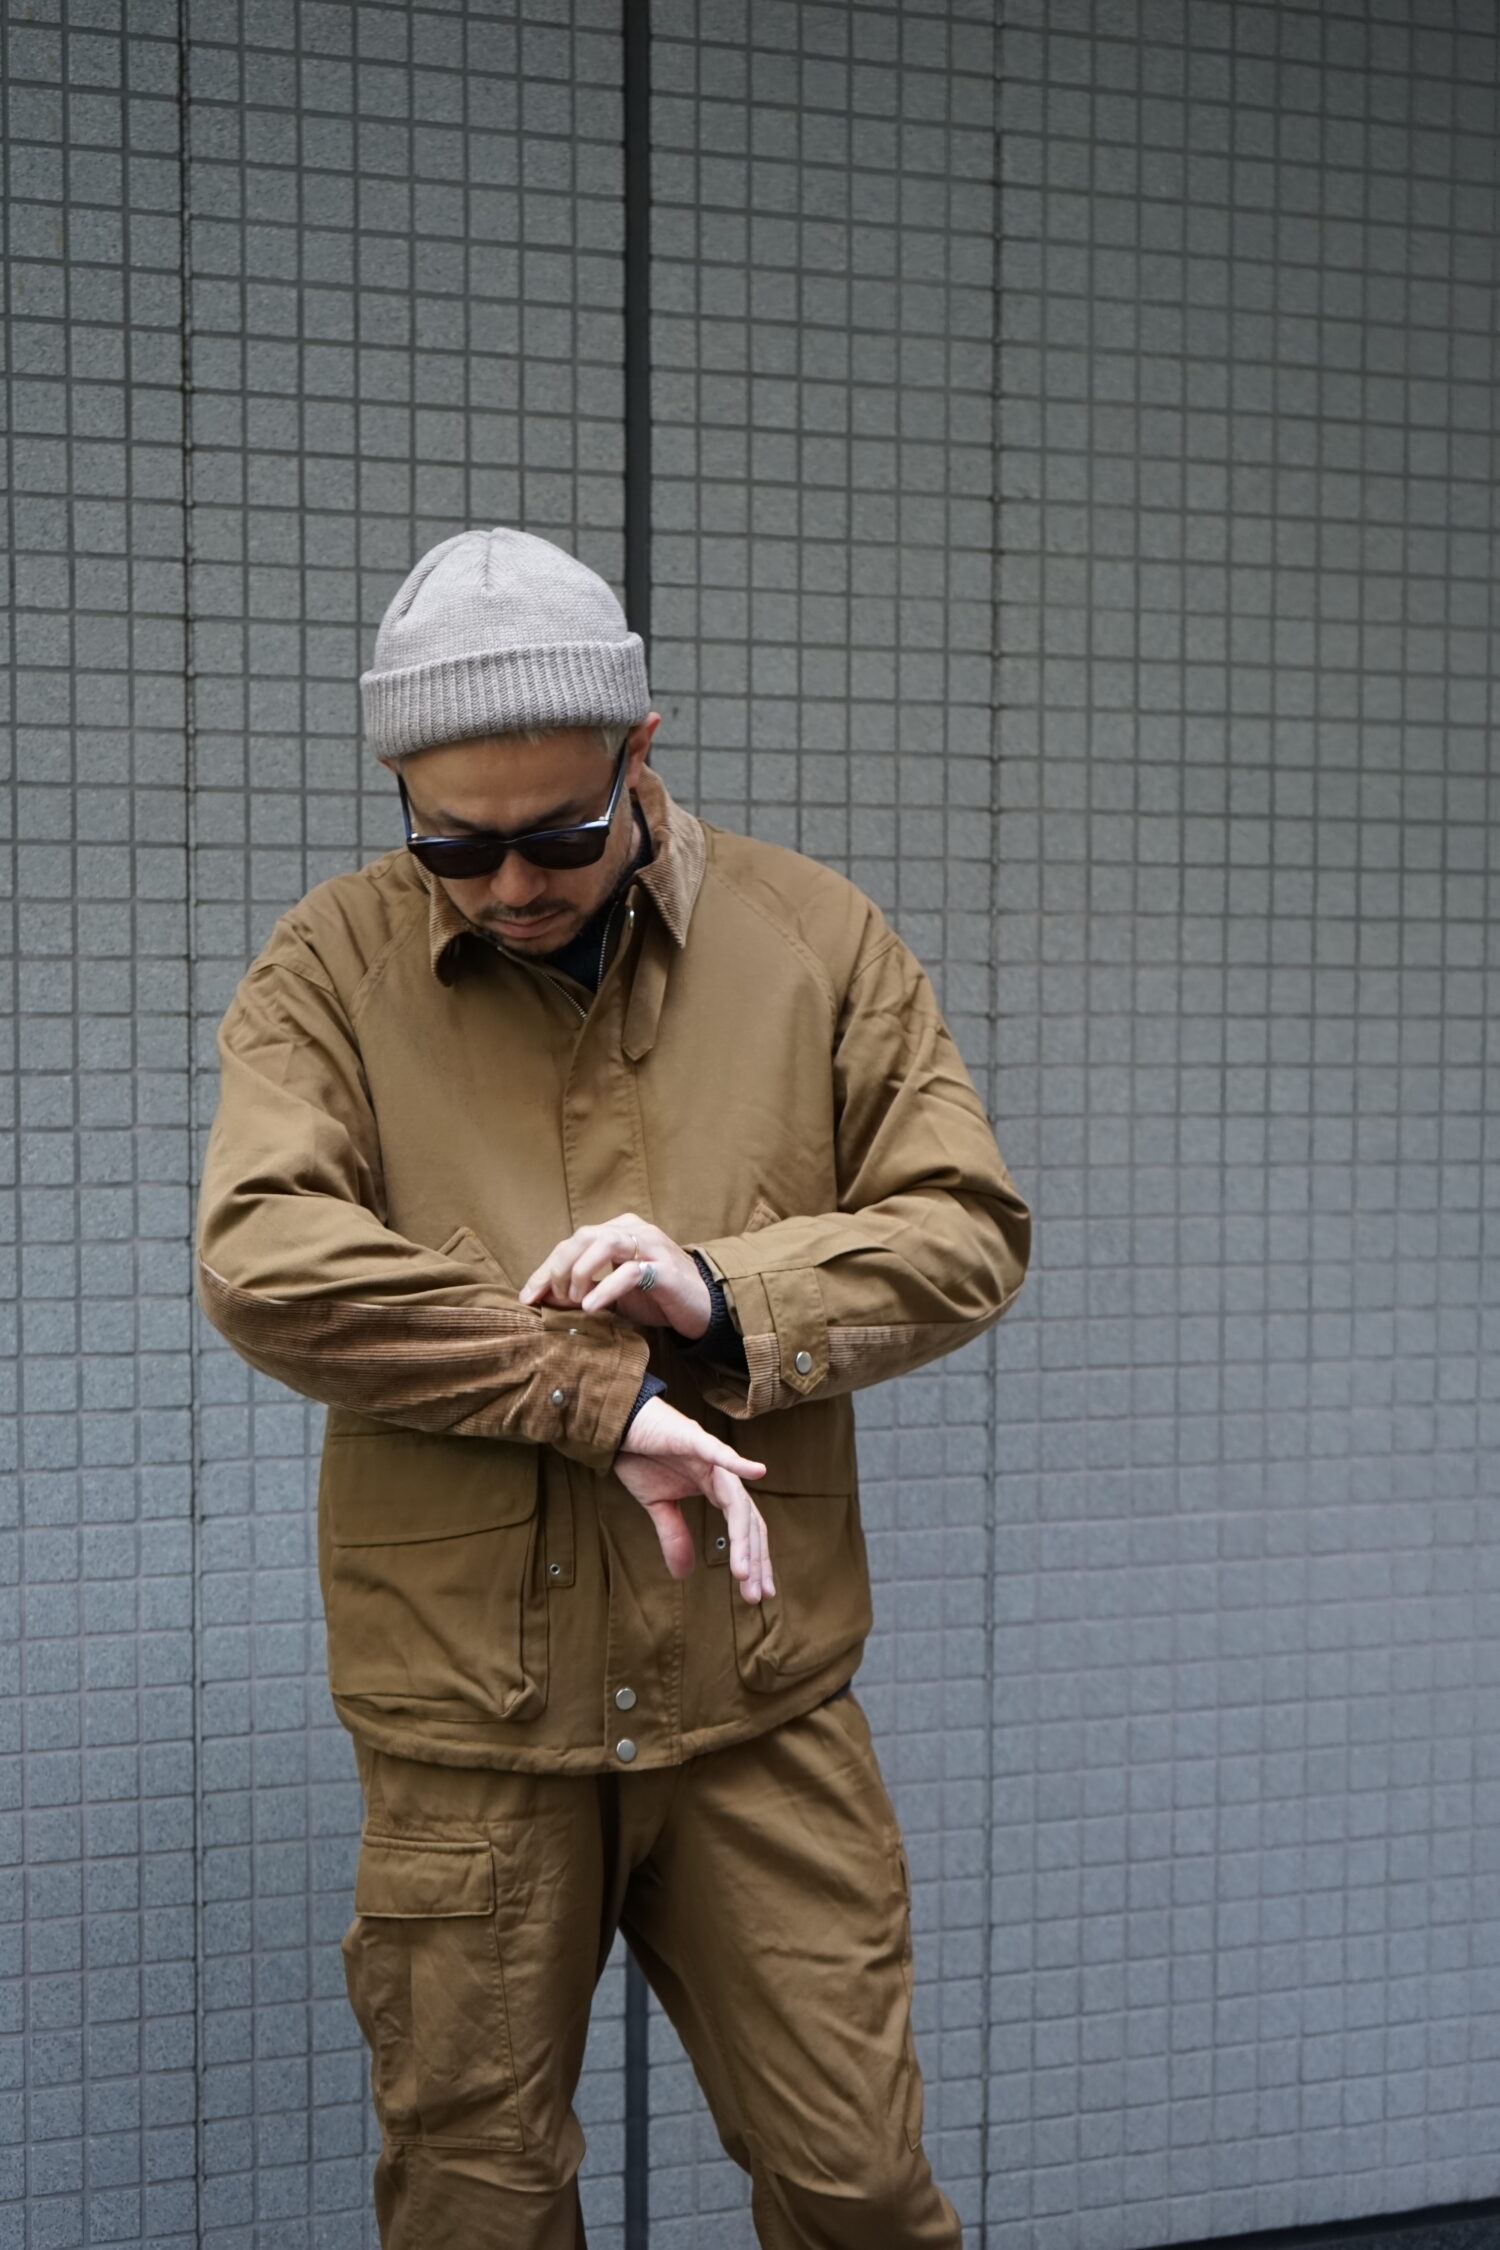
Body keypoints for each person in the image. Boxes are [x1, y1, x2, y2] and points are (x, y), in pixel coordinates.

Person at [196, 525, 1031, 2250]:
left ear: (640, 752)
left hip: (761, 1692)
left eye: (558, 835)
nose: (509, 883)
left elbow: (964, 1227)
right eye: (453, 842)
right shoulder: (327, 969)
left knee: (863, 2193)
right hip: (471, 1728)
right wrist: (594, 1387)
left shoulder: (815, 940)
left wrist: (722, 1293)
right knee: (476, 2209)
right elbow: (266, 1260)